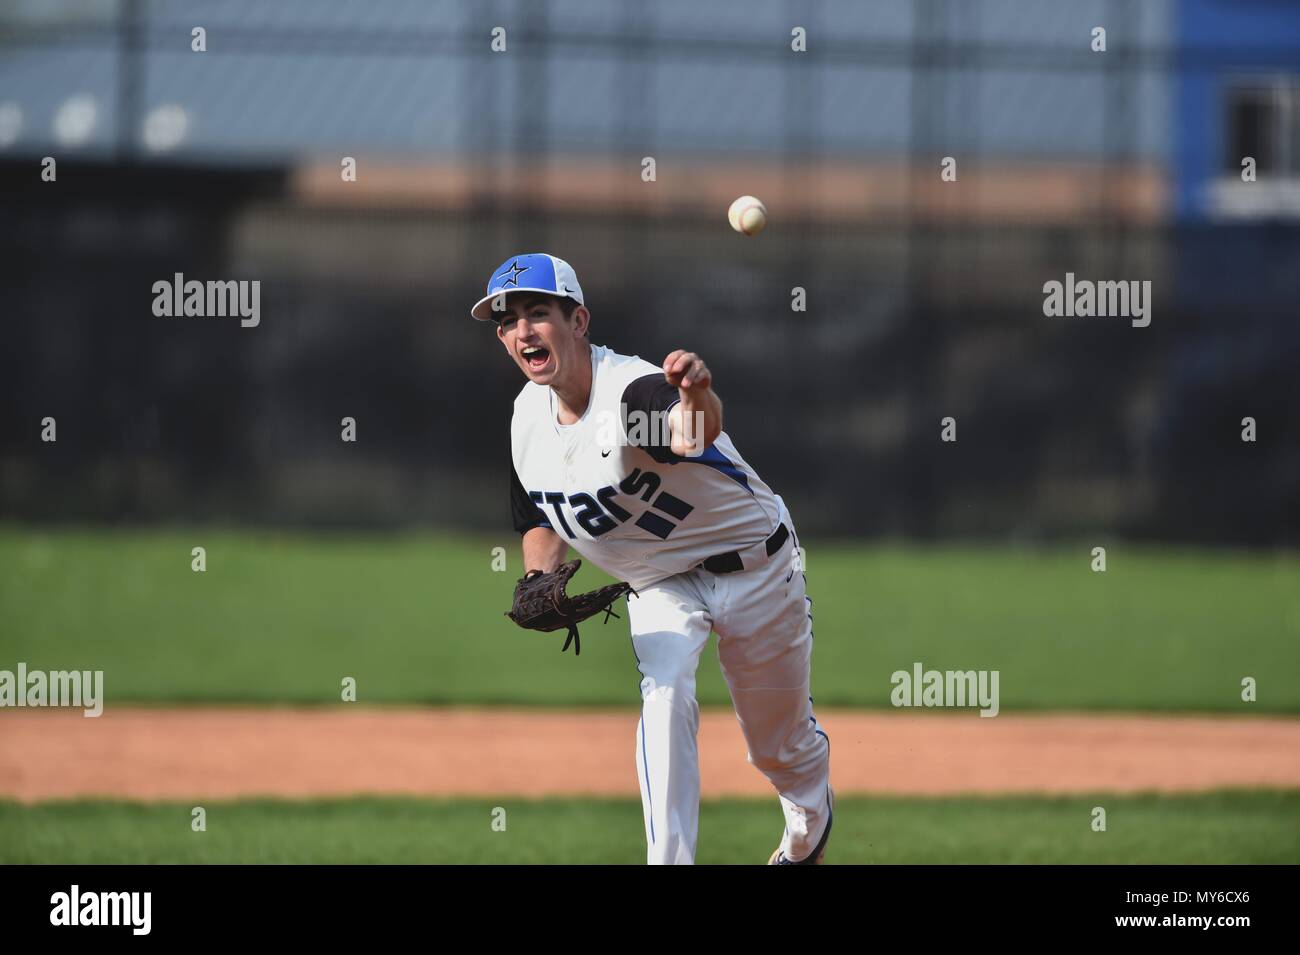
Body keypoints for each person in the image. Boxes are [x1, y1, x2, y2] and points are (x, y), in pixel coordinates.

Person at [473, 253, 832, 865]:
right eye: (507, 321)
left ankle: (808, 824)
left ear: (578, 319)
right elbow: (537, 515)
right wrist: (536, 574)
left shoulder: (630, 392)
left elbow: (693, 432)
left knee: (779, 750)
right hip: (658, 583)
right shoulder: (525, 419)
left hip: (757, 569)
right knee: (663, 692)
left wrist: (696, 392)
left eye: (538, 313)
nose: (522, 331)